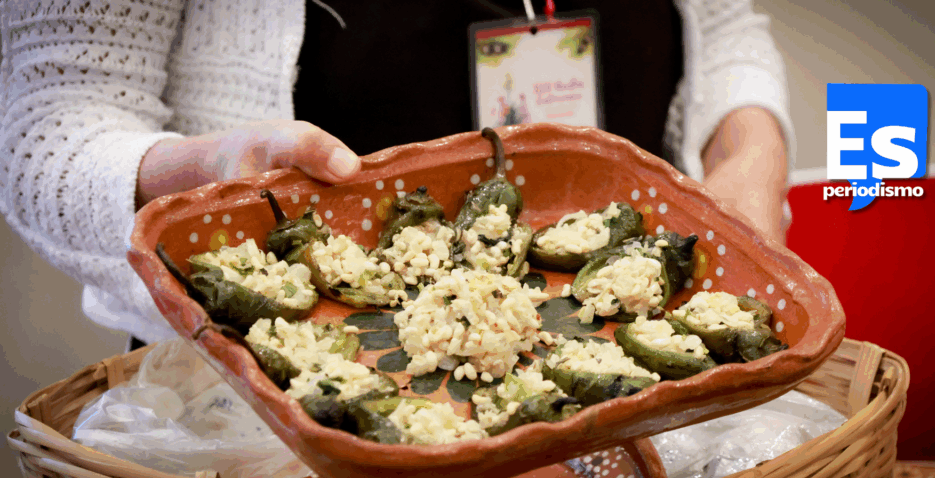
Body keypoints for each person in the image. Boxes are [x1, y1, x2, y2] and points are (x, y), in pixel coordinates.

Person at [0, 0, 793, 346]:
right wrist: (212, 172)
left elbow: (722, 24)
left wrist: (749, 151)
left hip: (615, 372)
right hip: (263, 434)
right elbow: (46, 134)